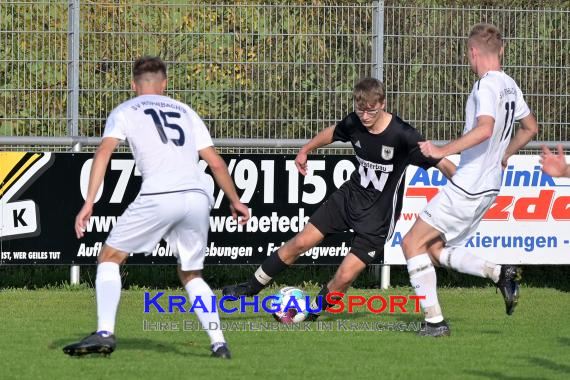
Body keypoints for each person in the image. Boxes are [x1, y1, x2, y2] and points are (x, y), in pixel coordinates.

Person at [222, 77, 456, 320]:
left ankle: (309, 314)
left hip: (377, 219)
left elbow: (440, 161)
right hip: (347, 199)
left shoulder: (403, 135)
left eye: (371, 111)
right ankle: (249, 287)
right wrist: (306, 149)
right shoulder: (355, 122)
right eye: (360, 110)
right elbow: (333, 132)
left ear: (383, 104)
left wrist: (465, 188)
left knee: (344, 277)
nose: (365, 116)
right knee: (300, 242)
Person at [63, 56, 249, 358]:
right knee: (192, 274)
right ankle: (219, 344)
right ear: (164, 84)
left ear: (134, 84)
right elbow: (214, 161)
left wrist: (89, 202)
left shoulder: (125, 110)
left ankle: (105, 332)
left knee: (110, 256)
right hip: (198, 195)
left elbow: (103, 153)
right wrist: (235, 199)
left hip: (161, 193)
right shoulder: (186, 111)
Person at [400, 23, 539, 337]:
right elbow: (530, 127)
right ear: (499, 51)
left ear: (473, 52)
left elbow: (485, 128)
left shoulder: (486, 85)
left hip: (470, 184)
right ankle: (498, 272)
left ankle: (435, 323)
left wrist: (440, 150)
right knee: (432, 247)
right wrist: (505, 155)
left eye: (468, 54)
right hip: (490, 185)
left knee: (410, 243)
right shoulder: (510, 85)